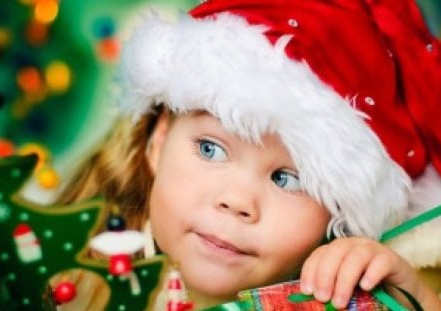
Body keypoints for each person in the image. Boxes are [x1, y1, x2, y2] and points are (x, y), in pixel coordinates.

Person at [57, 0, 441, 309]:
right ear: (158, 141)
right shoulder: (54, 274)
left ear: (339, 215)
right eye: (210, 149)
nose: (237, 201)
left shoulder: (353, 297)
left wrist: (414, 301)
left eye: (288, 178)